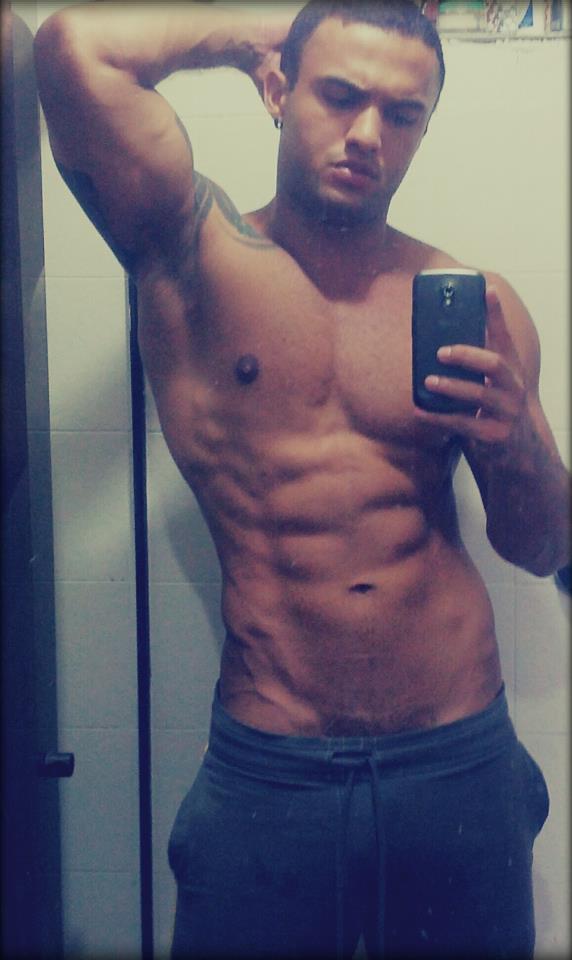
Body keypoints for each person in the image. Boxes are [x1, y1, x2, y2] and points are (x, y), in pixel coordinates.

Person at [34, 2, 569, 957]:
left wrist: (518, 435)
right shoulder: (191, 259)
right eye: (340, 94)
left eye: (401, 113)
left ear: (424, 130)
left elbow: (543, 547)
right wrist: (250, 35)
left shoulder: (476, 305)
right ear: (280, 89)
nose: (368, 133)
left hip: (457, 756)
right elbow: (73, 50)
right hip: (272, 767)